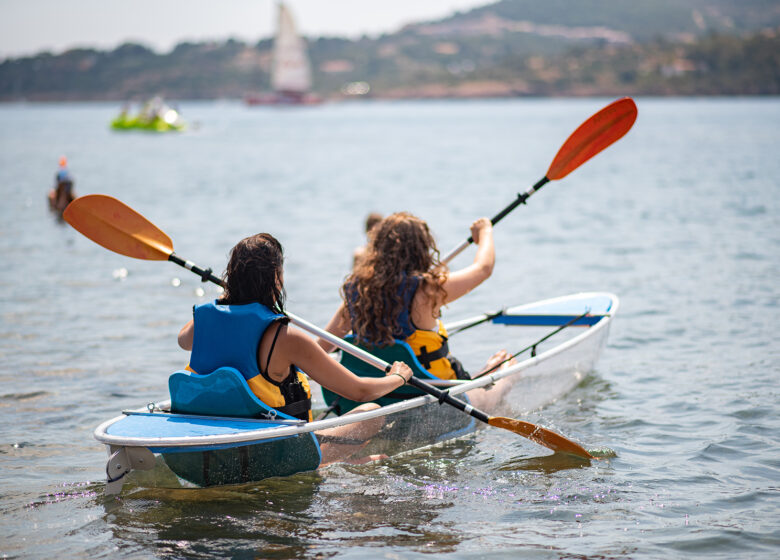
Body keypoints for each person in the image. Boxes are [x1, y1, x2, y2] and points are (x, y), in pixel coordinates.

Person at [177, 233, 413, 464]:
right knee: (372, 413)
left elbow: (183, 341)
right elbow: (359, 391)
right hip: (275, 456)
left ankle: (335, 464)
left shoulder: (203, 320)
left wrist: (227, 298)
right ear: (276, 279)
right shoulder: (287, 337)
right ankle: (324, 465)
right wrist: (398, 377)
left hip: (213, 454)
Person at [320, 212, 515, 410]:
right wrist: (485, 231)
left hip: (376, 400)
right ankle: (498, 373)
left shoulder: (359, 293)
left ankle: (485, 373)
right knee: (509, 368)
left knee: (479, 376)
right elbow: (483, 269)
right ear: (421, 249)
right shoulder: (427, 290)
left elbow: (321, 349)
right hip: (433, 399)